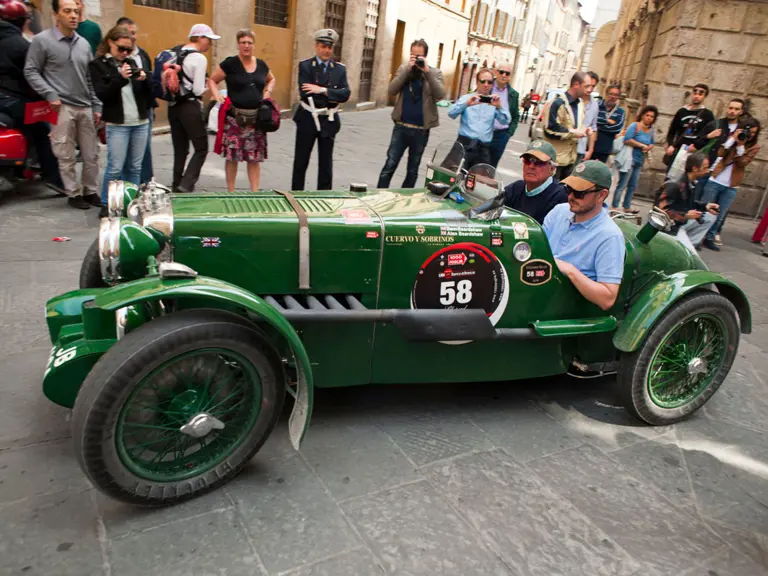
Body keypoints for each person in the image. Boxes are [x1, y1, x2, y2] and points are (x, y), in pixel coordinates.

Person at [24, 0, 101, 209]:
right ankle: (73, 193)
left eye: (76, 11)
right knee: (65, 153)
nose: (73, 16)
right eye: (67, 11)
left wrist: (96, 105)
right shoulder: (42, 41)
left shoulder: (84, 44)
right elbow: (30, 70)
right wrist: (50, 94)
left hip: (85, 105)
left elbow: (89, 77)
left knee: (91, 154)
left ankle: (90, 191)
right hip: (60, 107)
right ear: (56, 15)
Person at [543, 161, 626, 311]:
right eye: (569, 189)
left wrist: (570, 270)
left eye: (580, 192)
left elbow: (607, 298)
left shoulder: (609, 236)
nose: (571, 197)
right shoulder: (559, 211)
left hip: (565, 311)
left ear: (602, 195)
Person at [0, 0, 64, 192]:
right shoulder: (20, 44)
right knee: (42, 130)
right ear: (22, 21)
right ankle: (53, 177)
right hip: (12, 100)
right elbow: (32, 74)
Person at [88, 25, 152, 215]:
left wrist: (144, 78)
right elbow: (103, 94)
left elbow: (149, 93)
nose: (125, 53)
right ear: (110, 42)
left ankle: (130, 202)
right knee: (115, 167)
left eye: (128, 49)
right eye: (121, 48)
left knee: (135, 167)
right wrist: (120, 77)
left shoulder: (132, 61)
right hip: (117, 124)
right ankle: (108, 204)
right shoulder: (98, 65)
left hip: (140, 122)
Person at [208, 28, 275, 192]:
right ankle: (231, 191)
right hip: (234, 118)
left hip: (256, 119)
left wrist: (267, 93)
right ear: (238, 44)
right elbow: (212, 80)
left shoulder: (261, 64)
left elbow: (271, 79)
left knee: (254, 158)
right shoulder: (230, 64)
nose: (246, 46)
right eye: (243, 42)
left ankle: (254, 192)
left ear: (254, 45)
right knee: (232, 157)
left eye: (249, 43)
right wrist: (217, 95)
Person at [377, 38, 444, 189]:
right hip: (401, 127)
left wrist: (427, 72)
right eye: (413, 55)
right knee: (390, 164)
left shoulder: (435, 72)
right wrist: (407, 69)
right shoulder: (404, 69)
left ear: (425, 56)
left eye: (419, 56)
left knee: (413, 170)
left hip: (421, 131)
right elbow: (391, 90)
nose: (416, 59)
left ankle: (404, 200)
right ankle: (378, 196)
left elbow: (440, 94)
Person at [291, 28, 350, 191]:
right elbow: (305, 91)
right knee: (301, 161)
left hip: (328, 119)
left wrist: (322, 90)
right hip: (308, 117)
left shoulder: (339, 69)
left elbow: (345, 94)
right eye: (323, 46)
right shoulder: (306, 66)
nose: (326, 50)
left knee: (326, 163)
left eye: (329, 47)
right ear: (317, 46)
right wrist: (333, 93)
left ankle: (324, 196)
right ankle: (296, 195)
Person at [168, 24, 219, 193]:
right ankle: (186, 184)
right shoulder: (199, 58)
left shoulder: (176, 52)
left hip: (173, 106)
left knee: (180, 149)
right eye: (208, 39)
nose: (210, 44)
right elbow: (197, 90)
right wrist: (208, 91)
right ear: (199, 38)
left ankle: (176, 182)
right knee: (201, 147)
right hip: (190, 107)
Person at [699, 117, 761, 251]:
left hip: (732, 184)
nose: (750, 135)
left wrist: (740, 146)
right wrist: (733, 139)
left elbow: (742, 163)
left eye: (753, 133)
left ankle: (709, 238)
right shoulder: (734, 137)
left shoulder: (754, 147)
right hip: (716, 179)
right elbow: (721, 153)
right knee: (704, 208)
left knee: (719, 215)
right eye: (749, 131)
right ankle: (696, 236)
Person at [654, 152, 720, 254]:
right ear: (695, 168)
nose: (707, 171)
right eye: (705, 168)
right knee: (691, 256)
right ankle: (682, 250)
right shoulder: (674, 185)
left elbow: (688, 203)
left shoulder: (690, 183)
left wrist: (705, 206)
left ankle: (685, 248)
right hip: (666, 228)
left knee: (710, 217)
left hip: (677, 225)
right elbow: (660, 211)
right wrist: (685, 215)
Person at [116, 16, 155, 186]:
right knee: (122, 156)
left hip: (144, 109)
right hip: (122, 112)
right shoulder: (111, 59)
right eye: (128, 33)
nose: (133, 37)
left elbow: (150, 78)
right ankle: (124, 188)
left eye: (134, 33)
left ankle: (146, 182)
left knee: (143, 150)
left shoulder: (142, 54)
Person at [447, 68, 511, 169]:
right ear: (477, 82)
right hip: (464, 145)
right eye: (483, 81)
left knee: (479, 182)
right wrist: (466, 104)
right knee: (453, 177)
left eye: (489, 82)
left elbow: (506, 121)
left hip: (483, 149)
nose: (486, 84)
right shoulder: (467, 98)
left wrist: (499, 107)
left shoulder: (494, 101)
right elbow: (451, 113)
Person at [692, 98, 746, 202]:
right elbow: (697, 143)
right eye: (730, 108)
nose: (732, 111)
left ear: (741, 112)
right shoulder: (715, 124)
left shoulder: (742, 131)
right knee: (696, 200)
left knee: (713, 207)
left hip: (721, 175)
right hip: (706, 169)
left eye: (736, 109)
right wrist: (708, 136)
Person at [502, 139, 567, 224]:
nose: (531, 166)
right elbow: (491, 206)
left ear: (552, 169)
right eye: (527, 160)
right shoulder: (516, 187)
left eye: (539, 162)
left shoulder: (560, 196)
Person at [612, 105, 657, 213]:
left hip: (639, 161)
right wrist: (641, 145)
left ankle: (626, 206)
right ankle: (614, 206)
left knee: (633, 185)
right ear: (642, 115)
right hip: (629, 159)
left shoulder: (651, 130)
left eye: (652, 116)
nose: (649, 118)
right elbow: (627, 139)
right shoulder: (635, 126)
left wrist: (649, 147)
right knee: (622, 184)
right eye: (647, 115)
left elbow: (652, 142)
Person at [542, 71, 588, 180]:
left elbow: (576, 126)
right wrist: (572, 132)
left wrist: (584, 130)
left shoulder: (580, 105)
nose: (589, 90)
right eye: (586, 86)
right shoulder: (558, 103)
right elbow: (549, 129)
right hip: (554, 161)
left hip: (570, 160)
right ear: (576, 84)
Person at [664, 83, 714, 168]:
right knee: (671, 177)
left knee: (687, 178)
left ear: (705, 96)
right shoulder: (682, 112)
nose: (696, 96)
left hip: (695, 153)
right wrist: (671, 145)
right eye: (695, 93)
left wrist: (698, 147)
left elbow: (708, 136)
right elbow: (672, 131)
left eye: (700, 94)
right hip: (678, 150)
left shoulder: (708, 115)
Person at [488, 61, 519, 168]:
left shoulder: (513, 94)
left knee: (491, 166)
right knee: (476, 162)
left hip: (501, 136)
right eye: (501, 72)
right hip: (483, 132)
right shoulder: (487, 87)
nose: (504, 75)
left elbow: (515, 116)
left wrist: (508, 134)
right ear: (496, 73)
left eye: (507, 73)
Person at [593, 84, 625, 163]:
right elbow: (593, 121)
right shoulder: (596, 106)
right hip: (591, 145)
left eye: (616, 95)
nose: (613, 97)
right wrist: (608, 121)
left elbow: (617, 128)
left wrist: (599, 126)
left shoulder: (620, 111)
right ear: (606, 94)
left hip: (606, 149)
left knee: (599, 173)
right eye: (611, 94)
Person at [576, 71, 599, 164]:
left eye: (593, 86)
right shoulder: (573, 100)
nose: (590, 89)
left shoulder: (594, 105)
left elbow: (593, 128)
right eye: (587, 85)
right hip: (565, 148)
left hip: (580, 149)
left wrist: (590, 150)